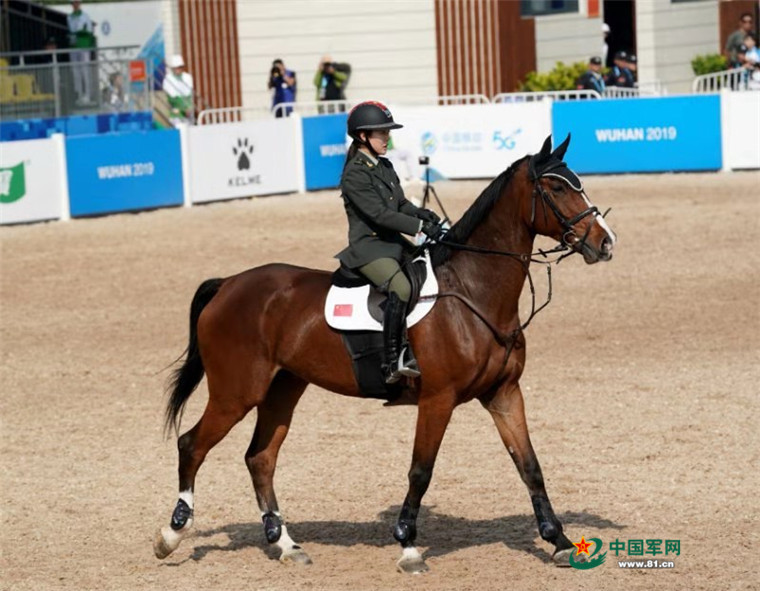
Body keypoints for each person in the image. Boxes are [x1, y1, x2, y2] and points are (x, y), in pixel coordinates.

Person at [336, 101, 444, 384]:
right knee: (402, 287)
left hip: (394, 243)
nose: (387, 138)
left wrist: (421, 213)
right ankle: (394, 359)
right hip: (369, 248)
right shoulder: (355, 174)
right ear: (363, 136)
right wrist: (419, 227)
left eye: (388, 132)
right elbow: (380, 215)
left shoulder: (384, 165)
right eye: (382, 132)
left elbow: (399, 204)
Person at [67, 0, 96, 105]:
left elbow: (89, 30)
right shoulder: (69, 17)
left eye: (77, 3)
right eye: (73, 3)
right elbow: (71, 30)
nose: (75, 5)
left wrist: (81, 33)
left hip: (83, 46)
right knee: (76, 71)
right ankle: (79, 94)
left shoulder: (85, 16)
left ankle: (88, 95)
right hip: (74, 46)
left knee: (85, 70)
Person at [162, 54, 194, 126]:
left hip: (187, 113)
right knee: (180, 128)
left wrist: (189, 107)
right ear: (173, 68)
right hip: (176, 114)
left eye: (180, 67)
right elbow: (172, 98)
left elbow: (189, 95)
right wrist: (184, 108)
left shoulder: (187, 77)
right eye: (176, 68)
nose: (178, 69)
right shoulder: (168, 78)